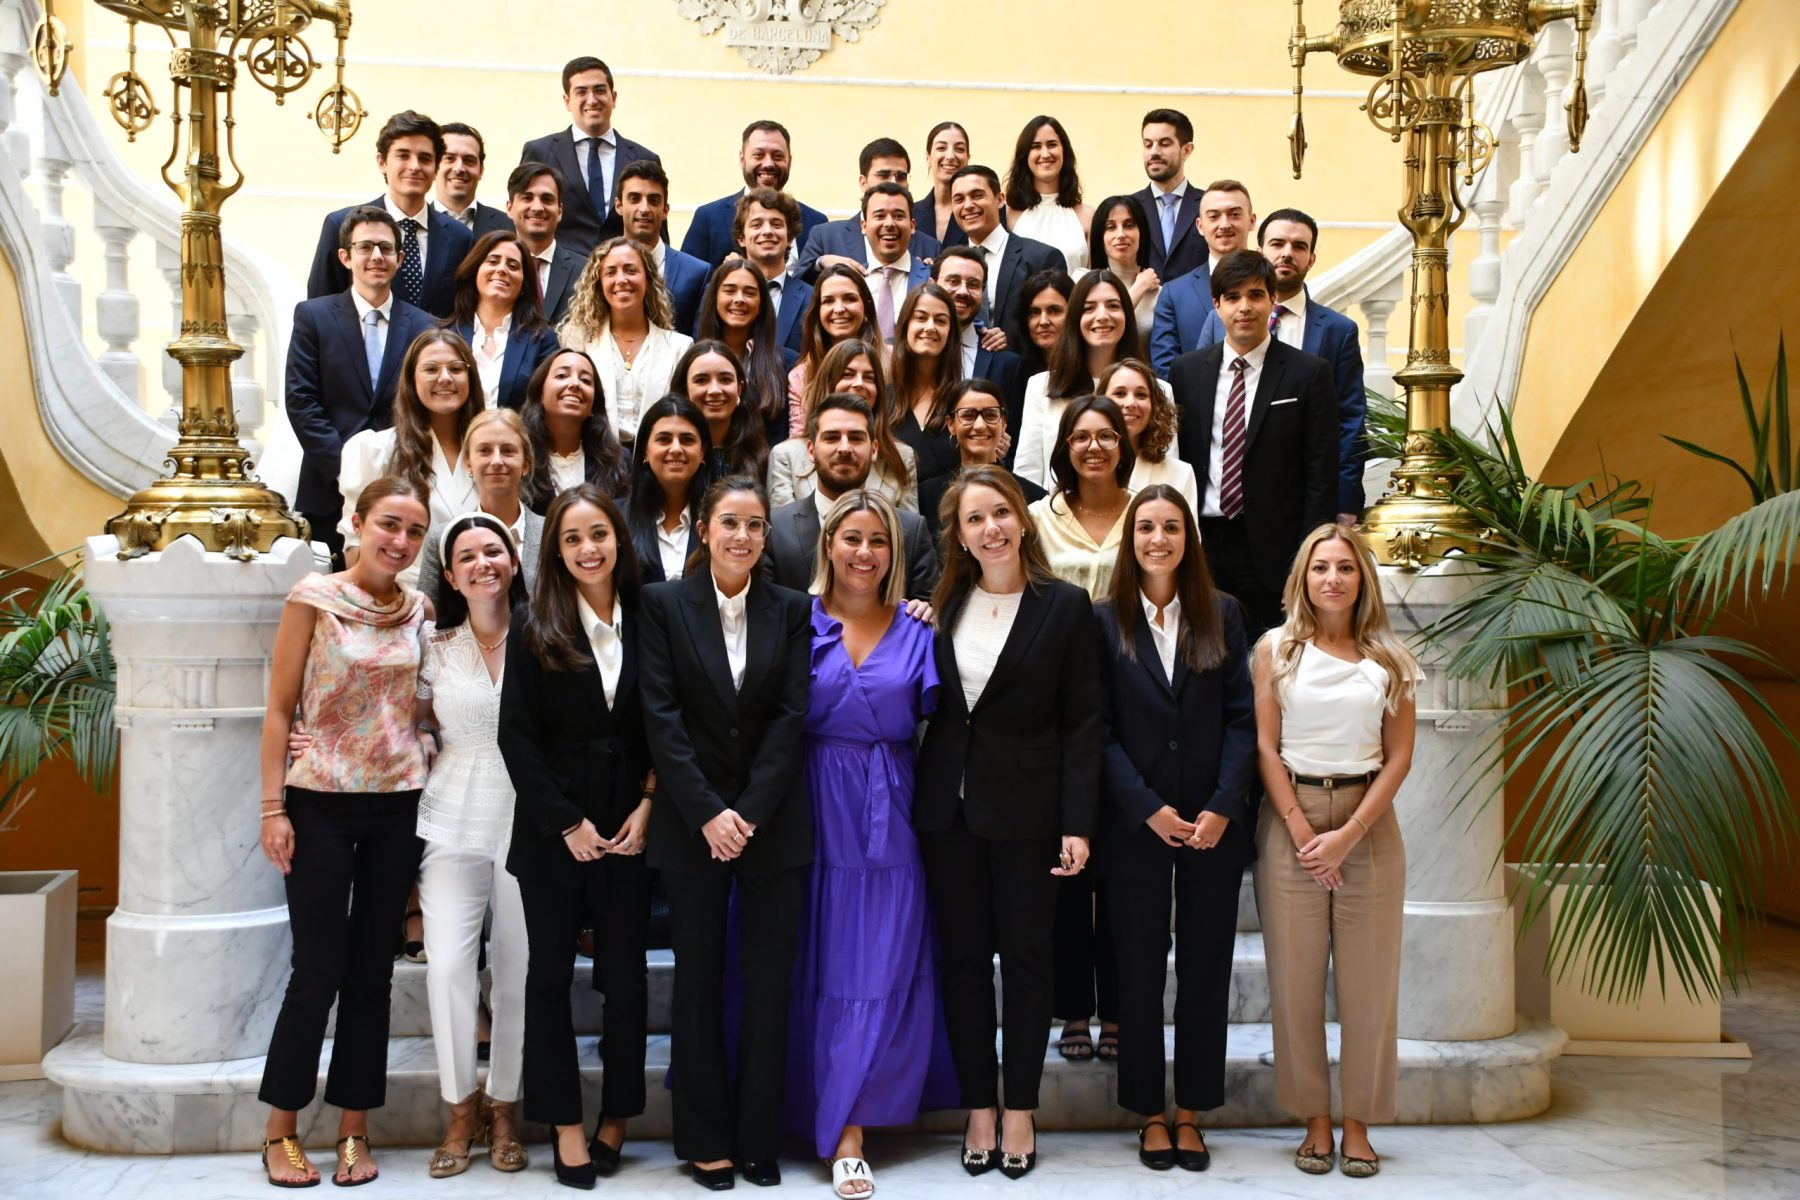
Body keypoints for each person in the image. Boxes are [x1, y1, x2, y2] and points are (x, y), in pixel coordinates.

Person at [916, 466, 1102, 1181]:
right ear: (959, 535)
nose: (990, 528)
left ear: (1022, 520)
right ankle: (979, 1107)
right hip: (949, 813)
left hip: (1030, 812)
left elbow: (1083, 723)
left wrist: (1078, 823)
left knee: (1026, 962)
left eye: (1000, 513)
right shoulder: (941, 602)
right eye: (974, 519)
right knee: (963, 963)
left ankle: (1019, 1106)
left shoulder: (1066, 607)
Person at [255, 476, 432, 1189]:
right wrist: (272, 807)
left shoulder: (418, 609)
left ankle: (354, 1128)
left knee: (372, 976)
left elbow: (422, 706)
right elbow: (278, 708)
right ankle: (280, 1129)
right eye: (389, 524)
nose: (401, 540)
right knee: (316, 970)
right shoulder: (313, 598)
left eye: (414, 531)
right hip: (320, 801)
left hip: (397, 805)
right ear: (356, 524)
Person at [639, 476, 814, 1191]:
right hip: (693, 823)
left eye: (755, 525)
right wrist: (708, 812)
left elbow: (791, 716)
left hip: (772, 822)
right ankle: (704, 1138)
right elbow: (660, 716)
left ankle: (757, 1137)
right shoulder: (662, 605)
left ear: (766, 535)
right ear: (705, 530)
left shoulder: (792, 608)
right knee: (699, 983)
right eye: (730, 523)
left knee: (770, 986)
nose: (742, 536)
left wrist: (750, 811)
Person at [788, 489, 957, 1197]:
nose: (864, 552)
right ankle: (819, 1112)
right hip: (807, 807)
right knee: (816, 961)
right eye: (852, 538)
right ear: (828, 544)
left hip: (890, 812)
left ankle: (852, 1123)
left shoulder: (919, 628)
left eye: (878, 541)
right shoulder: (794, 620)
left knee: (876, 964)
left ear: (896, 553)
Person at [1092, 485, 1254, 1174]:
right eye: (1146, 528)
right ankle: (1148, 1113)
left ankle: (1190, 1111)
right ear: (1130, 541)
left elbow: (1243, 718)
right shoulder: (1104, 620)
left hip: (1212, 826)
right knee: (1135, 971)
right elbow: (1096, 729)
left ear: (1190, 538)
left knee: (1205, 969)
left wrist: (1223, 806)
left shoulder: (1223, 613)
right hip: (1136, 827)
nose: (1158, 539)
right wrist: (1145, 807)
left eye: (1171, 527)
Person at [498, 485, 654, 1189]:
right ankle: (564, 1125)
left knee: (626, 979)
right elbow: (517, 737)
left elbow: (669, 721)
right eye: (572, 539)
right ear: (555, 553)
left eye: (599, 534)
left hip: (630, 827)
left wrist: (650, 804)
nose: (588, 548)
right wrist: (566, 821)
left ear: (619, 539)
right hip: (553, 830)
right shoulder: (533, 623)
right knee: (549, 979)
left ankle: (617, 1116)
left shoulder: (653, 616)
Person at [1253, 525, 1419, 1179]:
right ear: (1303, 578)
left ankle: (1359, 1124)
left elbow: (1399, 757)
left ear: (1362, 580)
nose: (1332, 578)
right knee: (1295, 983)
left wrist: (1348, 834)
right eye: (1320, 567)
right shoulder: (1275, 650)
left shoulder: (1392, 660)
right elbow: (1266, 747)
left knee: (1368, 986)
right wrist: (1300, 830)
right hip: (1291, 818)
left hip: (1367, 821)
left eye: (1345, 567)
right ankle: (1315, 1121)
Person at [413, 512, 531, 1179]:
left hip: (526, 818)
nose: (482, 563)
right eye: (467, 556)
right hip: (450, 816)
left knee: (515, 970)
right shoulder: (433, 646)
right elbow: (405, 719)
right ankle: (460, 1109)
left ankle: (505, 1106)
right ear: (452, 576)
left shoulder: (543, 638)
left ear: (513, 562)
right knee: (449, 968)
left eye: (494, 551)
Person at [1028, 396, 1134, 1064]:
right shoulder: (1038, 520)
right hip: (1057, 708)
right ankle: (1072, 1007)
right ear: (1064, 446)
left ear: (1123, 443)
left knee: (1121, 869)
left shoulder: (1149, 513)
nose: (1094, 446)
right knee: (1066, 870)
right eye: (1081, 436)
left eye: (1106, 435)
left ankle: (1117, 1009)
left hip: (1134, 704)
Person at [1172, 250, 1337, 640]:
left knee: (1271, 657)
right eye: (1232, 297)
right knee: (1201, 654)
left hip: (1275, 551)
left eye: (1255, 295)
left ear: (1272, 300)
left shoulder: (1308, 374)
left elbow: (1321, 476)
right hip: (1202, 543)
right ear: (1217, 305)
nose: (1244, 307)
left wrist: (1305, 562)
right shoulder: (1186, 371)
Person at [1194, 209, 1368, 524]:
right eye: (1277, 244)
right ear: (1260, 249)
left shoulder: (1337, 331)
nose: (1287, 253)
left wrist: (1345, 503)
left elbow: (1350, 422)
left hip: (1294, 507)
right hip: (1216, 506)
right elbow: (1202, 405)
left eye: (1299, 246)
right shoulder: (1218, 320)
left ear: (1311, 258)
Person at [286, 206, 435, 562]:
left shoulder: (425, 326)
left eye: (386, 248)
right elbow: (302, 400)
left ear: (400, 259)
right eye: (365, 247)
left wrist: (394, 471)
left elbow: (427, 406)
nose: (376, 256)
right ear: (345, 256)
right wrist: (349, 470)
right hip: (328, 489)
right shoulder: (313, 316)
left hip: (404, 488)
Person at [335, 328, 483, 587]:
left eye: (456, 369)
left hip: (483, 595)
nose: (445, 378)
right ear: (412, 379)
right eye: (431, 369)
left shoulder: (489, 451)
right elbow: (356, 546)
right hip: (404, 597)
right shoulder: (377, 449)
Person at [763, 393, 938, 599]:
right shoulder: (775, 528)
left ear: (874, 450)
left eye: (855, 438)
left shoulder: (911, 531)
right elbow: (765, 609)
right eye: (831, 438)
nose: (844, 448)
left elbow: (930, 608)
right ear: (811, 450)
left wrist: (923, 610)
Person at [1015, 269, 1170, 492]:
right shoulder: (1041, 387)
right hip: (1057, 512)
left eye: (1113, 306)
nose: (1102, 316)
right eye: (1089, 308)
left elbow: (1168, 471)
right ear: (1075, 317)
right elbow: (1027, 477)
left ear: (1127, 314)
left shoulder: (1158, 391)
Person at [308, 110, 474, 319]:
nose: (414, 166)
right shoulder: (342, 225)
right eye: (403, 156)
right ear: (382, 162)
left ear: (436, 167)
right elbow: (319, 311)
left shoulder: (460, 237)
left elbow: (463, 314)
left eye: (424, 158)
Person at [518, 56, 660, 257]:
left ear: (614, 97)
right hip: (562, 270)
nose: (592, 100)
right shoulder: (540, 152)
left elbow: (658, 234)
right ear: (567, 101)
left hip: (623, 269)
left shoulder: (644, 158)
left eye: (599, 90)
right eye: (581, 92)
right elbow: (522, 220)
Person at [559, 236, 693, 441]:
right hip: (596, 456)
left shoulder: (680, 348)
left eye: (631, 270)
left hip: (657, 457)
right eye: (611, 272)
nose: (621, 279)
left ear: (648, 280)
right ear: (599, 283)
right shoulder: (577, 342)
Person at [416, 408, 546, 609]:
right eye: (484, 451)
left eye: (508, 451)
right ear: (468, 464)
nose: (497, 461)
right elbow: (426, 618)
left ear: (526, 464)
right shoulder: (440, 539)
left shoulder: (551, 533)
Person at [773, 338, 917, 511]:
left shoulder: (902, 458)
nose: (859, 383)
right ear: (828, 382)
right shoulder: (787, 456)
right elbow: (785, 525)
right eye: (847, 375)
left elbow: (908, 526)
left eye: (869, 378)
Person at [683, 120, 829, 268]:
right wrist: (726, 275)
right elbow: (689, 276)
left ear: (789, 161)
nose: (768, 164)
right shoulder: (709, 217)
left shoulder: (816, 223)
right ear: (742, 159)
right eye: (758, 155)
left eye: (777, 156)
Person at [1149, 179, 1257, 378]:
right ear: (1200, 226)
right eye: (1214, 216)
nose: (1224, 224)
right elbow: (1166, 367)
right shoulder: (1174, 293)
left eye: (1234, 214)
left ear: (1251, 221)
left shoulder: (1272, 285)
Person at [915, 380, 1046, 541]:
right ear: (951, 424)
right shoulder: (927, 495)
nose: (980, 425)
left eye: (990, 415)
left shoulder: (1033, 496)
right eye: (968, 416)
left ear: (1003, 423)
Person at [951, 165, 1063, 352]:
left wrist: (1008, 341)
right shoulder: (948, 264)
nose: (968, 205)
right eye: (959, 199)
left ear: (1000, 199)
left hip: (1020, 367)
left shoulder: (1041, 258)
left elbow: (1056, 326)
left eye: (977, 195)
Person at [445, 230, 560, 411]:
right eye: (493, 261)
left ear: (524, 283)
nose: (501, 269)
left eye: (513, 266)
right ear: (475, 271)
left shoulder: (543, 340)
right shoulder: (446, 336)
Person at [797, 138, 939, 283]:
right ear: (863, 182)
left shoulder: (929, 246)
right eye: (883, 175)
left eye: (901, 176)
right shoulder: (826, 236)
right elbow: (797, 286)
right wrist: (820, 263)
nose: (893, 183)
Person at [696, 256, 791, 445]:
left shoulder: (787, 364)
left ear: (761, 305)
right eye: (730, 291)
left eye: (749, 293)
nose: (739, 299)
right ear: (714, 299)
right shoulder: (692, 360)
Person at [520, 347, 631, 508]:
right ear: (540, 394)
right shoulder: (518, 456)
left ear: (594, 405)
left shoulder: (619, 461)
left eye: (585, 380)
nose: (574, 384)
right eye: (562, 376)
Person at [932, 247, 1025, 437]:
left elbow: (1015, 434)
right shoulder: (909, 353)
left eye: (973, 284)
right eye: (953, 281)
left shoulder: (1007, 364)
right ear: (931, 284)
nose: (963, 291)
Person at [615, 159, 710, 336]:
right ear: (619, 205)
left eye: (653, 200)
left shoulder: (697, 272)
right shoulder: (600, 268)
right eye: (634, 199)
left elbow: (701, 342)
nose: (644, 208)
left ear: (665, 210)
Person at [625, 396, 713, 584]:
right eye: (664, 440)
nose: (676, 449)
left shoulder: (721, 519)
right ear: (645, 451)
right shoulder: (616, 518)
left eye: (687, 440)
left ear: (702, 452)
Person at [786, 264, 882, 436]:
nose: (839, 309)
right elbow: (798, 441)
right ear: (818, 312)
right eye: (828, 301)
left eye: (849, 299)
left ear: (866, 310)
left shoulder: (891, 363)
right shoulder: (802, 376)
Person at [886, 282, 962, 485]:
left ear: (950, 332)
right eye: (921, 318)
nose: (930, 327)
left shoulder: (964, 401)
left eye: (940, 320)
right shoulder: (881, 399)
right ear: (905, 325)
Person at [1100, 358, 1198, 511]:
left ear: (1154, 406)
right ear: (1100, 402)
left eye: (1141, 395)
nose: (1131, 403)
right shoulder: (1086, 466)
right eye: (1120, 394)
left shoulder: (1181, 474)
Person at [672, 339, 771, 484]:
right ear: (684, 390)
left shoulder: (762, 458)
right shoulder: (671, 454)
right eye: (701, 380)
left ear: (739, 389)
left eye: (725, 379)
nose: (715, 390)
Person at [1003, 116, 1093, 274]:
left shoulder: (1087, 216)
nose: (1045, 154)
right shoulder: (1007, 215)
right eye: (1036, 146)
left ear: (1064, 150)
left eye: (1052, 145)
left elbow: (1095, 279)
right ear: (1025, 155)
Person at [733, 187, 814, 355]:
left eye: (776, 224)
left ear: (790, 237)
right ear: (741, 238)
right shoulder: (718, 294)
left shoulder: (812, 298)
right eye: (756, 225)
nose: (768, 231)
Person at [507, 162, 587, 328]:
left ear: (560, 211)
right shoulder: (492, 269)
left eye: (547, 199)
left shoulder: (586, 270)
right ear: (510, 208)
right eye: (527, 198)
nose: (537, 207)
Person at [1133, 109, 1206, 284]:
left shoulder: (1209, 206)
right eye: (1148, 144)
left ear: (1186, 150)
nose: (1154, 152)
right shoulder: (1129, 208)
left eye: (1164, 144)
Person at [854, 183, 933, 343]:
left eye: (898, 216)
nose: (889, 224)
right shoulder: (852, 280)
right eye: (879, 216)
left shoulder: (932, 278)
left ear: (912, 225)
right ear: (864, 226)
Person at [1089, 195, 1161, 336]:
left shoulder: (1159, 294)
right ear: (1099, 236)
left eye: (1129, 226)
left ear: (1142, 233)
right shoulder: (1083, 282)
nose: (1121, 234)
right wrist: (1140, 286)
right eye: (1111, 227)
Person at [434, 122, 515, 237]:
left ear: (481, 170)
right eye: (449, 158)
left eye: (469, 160)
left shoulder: (509, 226)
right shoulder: (416, 224)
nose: (459, 168)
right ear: (434, 166)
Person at [1015, 268, 1074, 382]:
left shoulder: (1093, 365)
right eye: (1035, 312)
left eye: (1054, 311)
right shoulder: (1015, 370)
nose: (1043, 322)